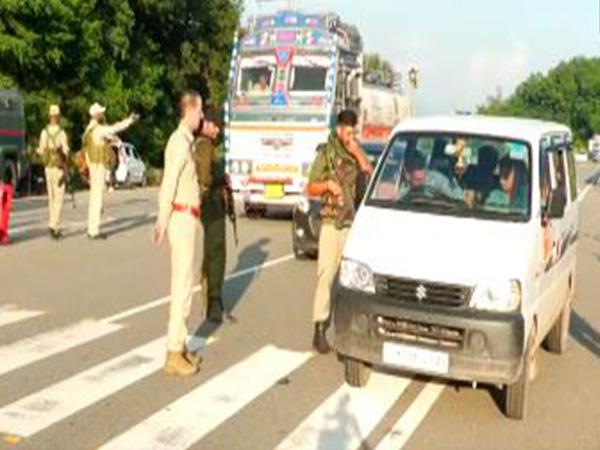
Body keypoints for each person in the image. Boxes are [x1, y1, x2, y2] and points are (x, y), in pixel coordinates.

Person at [306, 110, 372, 354]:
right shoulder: (326, 153)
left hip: (350, 224)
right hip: (331, 223)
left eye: (354, 131)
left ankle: (344, 327)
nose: (351, 135)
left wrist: (356, 151)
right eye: (347, 130)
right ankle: (319, 329)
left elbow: (368, 171)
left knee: (348, 280)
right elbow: (310, 187)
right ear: (338, 129)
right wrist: (328, 185)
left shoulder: (354, 153)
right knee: (326, 276)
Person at [153, 91, 204, 376]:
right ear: (189, 110)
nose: (201, 117)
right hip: (180, 216)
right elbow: (169, 182)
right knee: (181, 286)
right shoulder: (178, 142)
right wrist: (162, 220)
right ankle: (173, 352)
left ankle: (180, 345)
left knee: (185, 283)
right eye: (199, 111)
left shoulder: (186, 141)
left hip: (187, 216)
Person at [193, 107, 230, 324]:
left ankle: (209, 294)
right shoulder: (205, 145)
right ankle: (213, 300)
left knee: (210, 251)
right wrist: (220, 181)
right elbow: (206, 178)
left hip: (206, 203)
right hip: (211, 203)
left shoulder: (200, 143)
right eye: (215, 126)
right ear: (207, 123)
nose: (217, 130)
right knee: (216, 251)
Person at [83, 102, 138, 239]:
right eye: (101, 113)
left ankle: (92, 227)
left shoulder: (89, 130)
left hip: (93, 165)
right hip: (99, 166)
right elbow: (115, 128)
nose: (103, 115)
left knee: (94, 197)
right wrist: (129, 120)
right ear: (96, 115)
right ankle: (94, 230)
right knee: (97, 198)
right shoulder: (99, 129)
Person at [37, 104, 70, 240]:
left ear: (50, 116)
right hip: (58, 167)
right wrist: (67, 166)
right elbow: (66, 151)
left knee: (51, 198)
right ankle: (54, 226)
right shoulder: (61, 133)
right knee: (59, 198)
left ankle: (51, 222)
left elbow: (40, 150)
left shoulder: (44, 132)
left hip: (47, 167)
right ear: (58, 116)